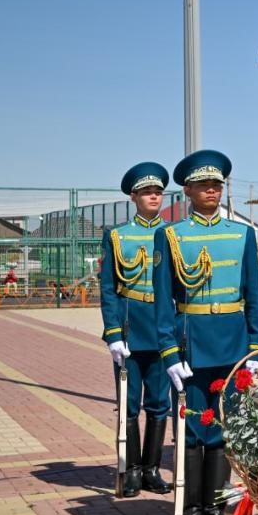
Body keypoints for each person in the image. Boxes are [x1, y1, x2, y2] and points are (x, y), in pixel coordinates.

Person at [153, 149, 258, 515]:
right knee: (192, 431)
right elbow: (163, 298)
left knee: (221, 432)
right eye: (204, 185)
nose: (212, 190)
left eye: (217, 184)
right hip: (191, 347)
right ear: (188, 190)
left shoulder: (242, 234)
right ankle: (192, 513)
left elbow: (254, 296)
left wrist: (256, 352)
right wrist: (168, 352)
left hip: (232, 346)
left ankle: (217, 511)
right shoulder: (170, 235)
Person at [99, 162, 172, 497]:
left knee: (159, 403)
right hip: (130, 331)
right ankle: (129, 470)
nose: (153, 196)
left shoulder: (174, 234)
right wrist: (113, 333)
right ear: (134, 197)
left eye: (157, 191)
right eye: (146, 192)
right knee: (129, 404)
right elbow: (109, 288)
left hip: (162, 331)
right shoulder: (117, 236)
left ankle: (151, 469)